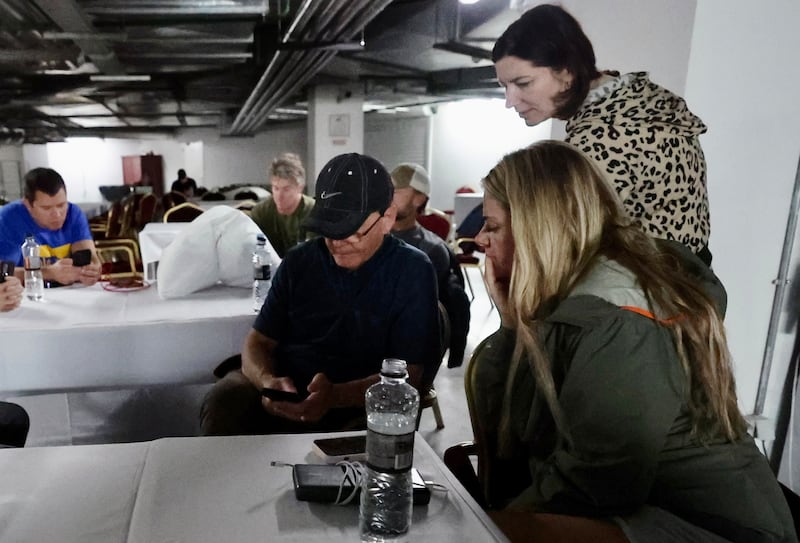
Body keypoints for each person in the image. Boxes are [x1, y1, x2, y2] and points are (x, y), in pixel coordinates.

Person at [470, 140, 795, 543]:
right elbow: (515, 432)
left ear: (538, 227)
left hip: (716, 530)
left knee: (484, 532)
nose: (480, 239)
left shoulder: (620, 318)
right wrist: (511, 325)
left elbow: (597, 484)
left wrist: (494, 521)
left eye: (493, 226)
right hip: (657, 512)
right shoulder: (573, 298)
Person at [200, 153, 441, 435]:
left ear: (387, 217)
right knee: (225, 399)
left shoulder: (412, 270)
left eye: (351, 231)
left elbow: (410, 373)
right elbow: (258, 340)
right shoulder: (299, 261)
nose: (337, 243)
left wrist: (334, 397)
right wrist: (267, 382)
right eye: (329, 229)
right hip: (288, 384)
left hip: (360, 402)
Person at [493, 4, 712, 265]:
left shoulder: (603, 138)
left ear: (566, 72)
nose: (510, 100)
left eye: (523, 83)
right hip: (687, 281)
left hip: (649, 285)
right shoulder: (640, 104)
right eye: (505, 86)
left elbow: (562, 249)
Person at [390, 163, 471, 369]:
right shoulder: (368, 237)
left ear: (418, 198)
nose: (388, 196)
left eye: (396, 191)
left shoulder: (432, 250)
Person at [0, 168, 101, 287]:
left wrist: (91, 271)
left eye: (61, 205)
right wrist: (48, 273)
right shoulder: (8, 219)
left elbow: (90, 257)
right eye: (46, 208)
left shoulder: (73, 213)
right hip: (26, 293)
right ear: (28, 205)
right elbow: (3, 272)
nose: (57, 214)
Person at [249, 152, 316, 258]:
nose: (279, 196)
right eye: (276, 188)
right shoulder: (261, 213)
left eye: (286, 189)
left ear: (300, 188)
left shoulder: (315, 212)